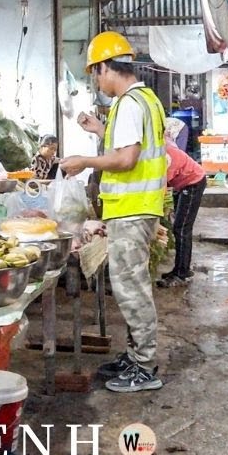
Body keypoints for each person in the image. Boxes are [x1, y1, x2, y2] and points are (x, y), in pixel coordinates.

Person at [60, 31, 168, 393]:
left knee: (132, 288)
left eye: (95, 72)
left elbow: (126, 158)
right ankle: (136, 353)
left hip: (132, 209)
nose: (95, 80)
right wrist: (100, 130)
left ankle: (144, 365)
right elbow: (131, 145)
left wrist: (83, 161)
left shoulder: (128, 103)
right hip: (140, 207)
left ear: (107, 66)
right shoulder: (146, 99)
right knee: (131, 286)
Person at [157, 116, 206, 288]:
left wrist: (157, 213)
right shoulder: (161, 148)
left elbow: (161, 188)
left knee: (182, 228)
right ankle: (180, 269)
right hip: (186, 182)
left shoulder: (165, 156)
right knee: (180, 228)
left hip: (193, 183)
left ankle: (182, 273)